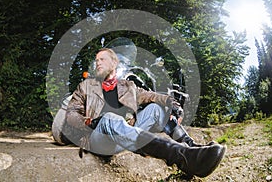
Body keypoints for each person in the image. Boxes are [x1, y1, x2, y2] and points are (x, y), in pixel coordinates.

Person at [64, 48, 226, 178]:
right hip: (96, 138)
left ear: (114, 62)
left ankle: (191, 148)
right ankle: (181, 156)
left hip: (122, 136)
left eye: (102, 59)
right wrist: (89, 121)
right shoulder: (86, 87)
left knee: (155, 108)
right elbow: (71, 114)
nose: (98, 63)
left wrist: (172, 103)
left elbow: (154, 96)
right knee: (108, 119)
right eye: (97, 60)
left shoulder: (128, 87)